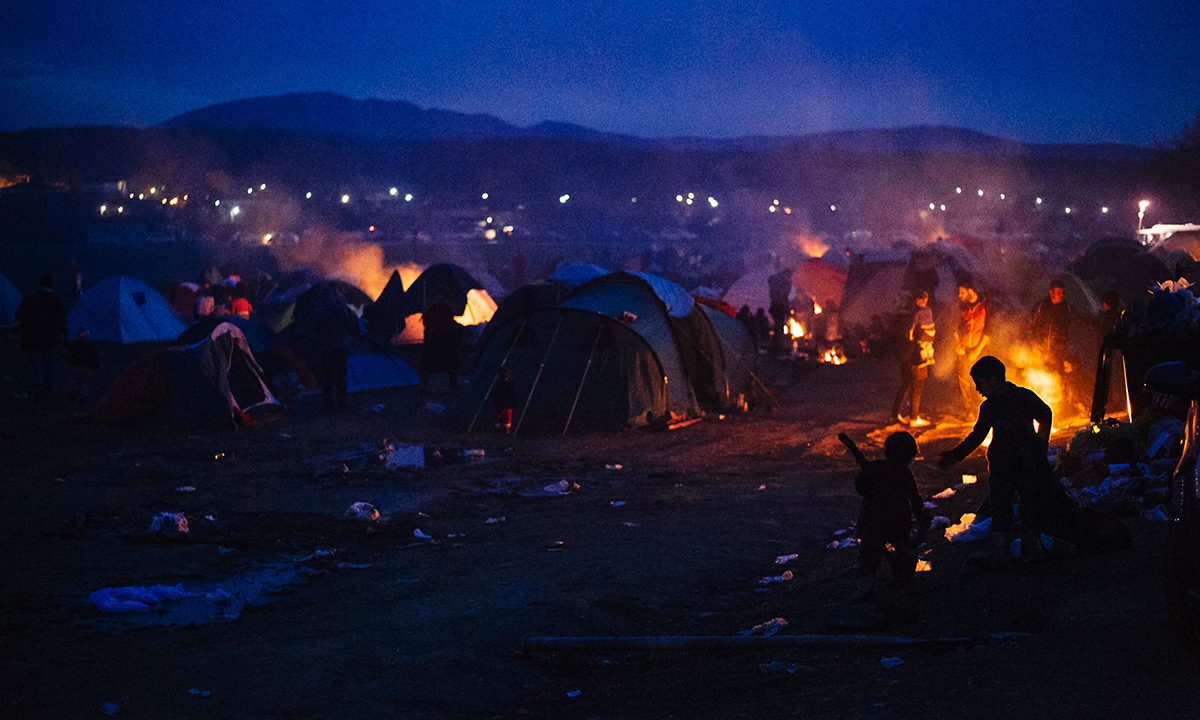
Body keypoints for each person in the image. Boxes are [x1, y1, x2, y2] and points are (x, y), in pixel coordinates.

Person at [938, 356, 1056, 563]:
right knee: (1001, 507)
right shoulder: (989, 407)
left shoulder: (1022, 397)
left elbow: (1045, 414)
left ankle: (1028, 549)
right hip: (1002, 465)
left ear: (994, 380)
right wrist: (955, 455)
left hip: (1024, 463)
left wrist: (1039, 446)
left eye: (979, 382)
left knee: (1029, 505)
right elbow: (978, 435)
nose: (977, 389)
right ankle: (1003, 553)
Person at [848, 431, 931, 600]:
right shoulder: (904, 473)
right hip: (895, 522)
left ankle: (866, 589)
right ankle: (903, 581)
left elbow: (861, 487)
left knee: (870, 556)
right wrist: (922, 518)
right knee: (902, 553)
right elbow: (915, 500)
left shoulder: (877, 468)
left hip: (876, 521)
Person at [14, 273, 68, 401]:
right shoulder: (56, 300)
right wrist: (64, 335)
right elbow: (62, 320)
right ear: (52, 285)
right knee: (49, 360)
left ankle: (37, 385)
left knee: (35, 360)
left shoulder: (29, 299)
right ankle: (47, 385)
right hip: (50, 336)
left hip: (32, 335)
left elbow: (17, 315)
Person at [1029, 277, 1079, 405]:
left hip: (1059, 352)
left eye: (1063, 291)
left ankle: (1061, 406)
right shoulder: (1041, 307)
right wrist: (1033, 343)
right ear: (1051, 292)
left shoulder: (1067, 309)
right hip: (1041, 351)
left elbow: (1076, 329)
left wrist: (1068, 353)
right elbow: (1030, 326)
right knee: (1041, 378)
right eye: (1059, 292)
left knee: (1059, 380)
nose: (1062, 294)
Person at [891, 291, 935, 427]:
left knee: (906, 383)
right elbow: (917, 335)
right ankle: (914, 418)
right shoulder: (919, 314)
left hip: (903, 355)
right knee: (917, 385)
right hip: (915, 356)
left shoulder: (901, 315)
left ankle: (895, 414)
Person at [953, 278, 988, 419]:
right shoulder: (962, 307)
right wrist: (959, 344)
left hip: (980, 348)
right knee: (963, 381)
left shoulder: (984, 306)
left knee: (981, 381)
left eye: (961, 292)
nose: (959, 295)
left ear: (970, 290)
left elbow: (989, 329)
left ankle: (983, 410)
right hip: (964, 348)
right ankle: (968, 411)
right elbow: (955, 327)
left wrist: (977, 350)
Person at [421, 300, 464, 393]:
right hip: (447, 356)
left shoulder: (430, 328)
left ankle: (424, 385)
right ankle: (453, 385)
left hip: (431, 357)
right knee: (453, 359)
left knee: (427, 362)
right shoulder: (450, 328)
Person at [66, 328, 100, 403]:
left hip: (75, 365)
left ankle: (75, 392)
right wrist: (96, 366)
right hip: (86, 366)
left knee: (75, 379)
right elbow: (94, 356)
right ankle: (83, 395)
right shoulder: (90, 346)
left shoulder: (75, 343)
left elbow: (68, 347)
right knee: (85, 381)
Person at [768, 264, 793, 353]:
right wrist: (786, 310)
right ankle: (777, 346)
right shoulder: (783, 283)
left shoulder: (776, 282)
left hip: (775, 306)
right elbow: (783, 296)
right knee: (779, 327)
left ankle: (776, 345)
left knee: (778, 326)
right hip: (779, 307)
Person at [490, 366, 518, 434]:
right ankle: (507, 429)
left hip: (499, 404)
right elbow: (513, 394)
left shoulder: (497, 384)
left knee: (498, 416)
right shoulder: (510, 385)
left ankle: (497, 429)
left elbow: (493, 393)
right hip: (508, 404)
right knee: (507, 417)